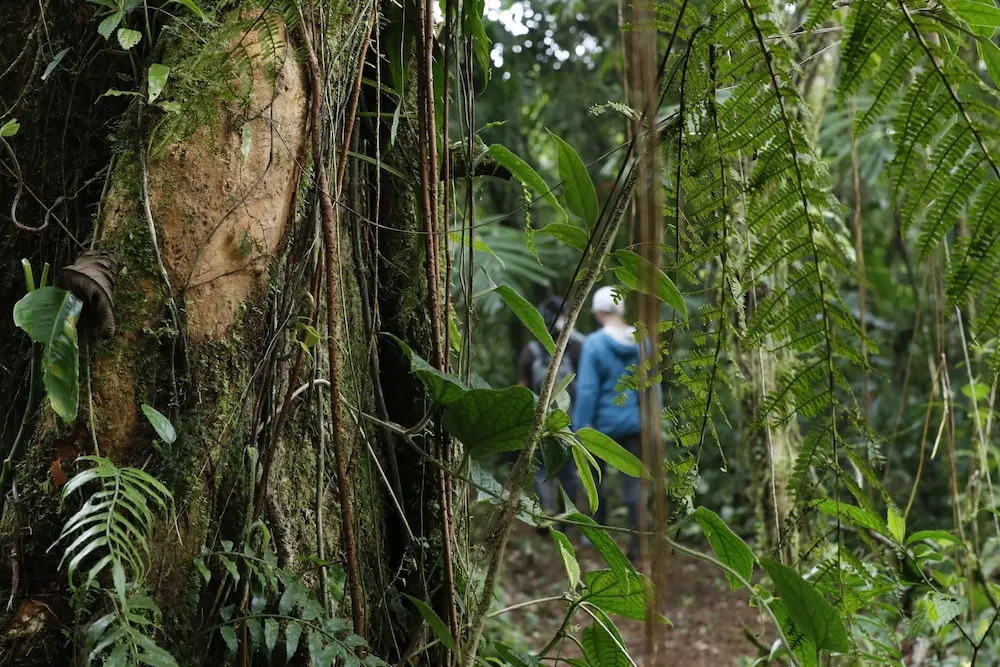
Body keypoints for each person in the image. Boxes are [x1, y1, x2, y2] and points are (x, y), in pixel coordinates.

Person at [572, 285, 642, 558]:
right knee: (634, 484)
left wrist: (580, 430)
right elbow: (652, 388)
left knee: (594, 482)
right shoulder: (642, 341)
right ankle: (638, 543)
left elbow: (587, 391)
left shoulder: (594, 344)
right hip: (635, 424)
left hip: (601, 428)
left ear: (599, 313)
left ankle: (597, 537)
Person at [517, 295, 584, 516]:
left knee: (542, 469)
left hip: (541, 421)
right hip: (567, 421)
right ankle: (565, 513)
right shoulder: (574, 348)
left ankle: (548, 512)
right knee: (567, 470)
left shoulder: (530, 351)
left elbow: (523, 389)